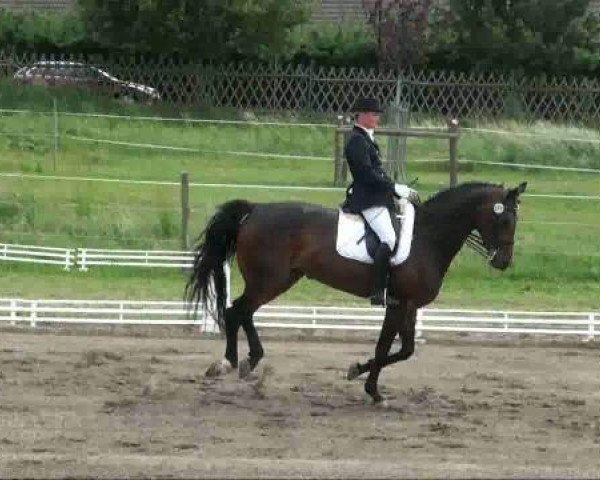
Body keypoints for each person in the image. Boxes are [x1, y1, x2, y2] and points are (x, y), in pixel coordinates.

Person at [342, 96, 418, 306]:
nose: (377, 118)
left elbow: (378, 172)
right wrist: (393, 187)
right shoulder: (357, 141)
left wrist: (395, 186)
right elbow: (366, 175)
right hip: (367, 200)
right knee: (389, 239)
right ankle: (377, 291)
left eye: (377, 115)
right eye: (374, 115)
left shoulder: (366, 139)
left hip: (377, 196)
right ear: (362, 115)